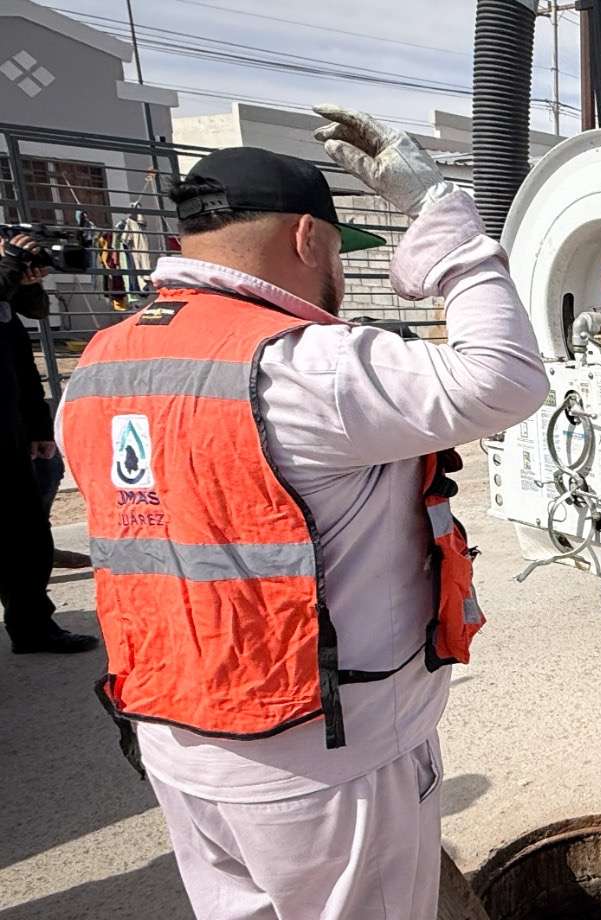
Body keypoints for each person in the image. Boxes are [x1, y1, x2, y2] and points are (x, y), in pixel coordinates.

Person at [57, 107, 548, 918]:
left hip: (176, 745)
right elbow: (506, 377)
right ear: (306, 240)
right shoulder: (305, 367)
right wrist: (443, 220)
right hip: (324, 759)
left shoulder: (98, 368)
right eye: (338, 256)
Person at [1, 233, 99, 654]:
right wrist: (8, 265)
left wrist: (39, 427)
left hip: (10, 429)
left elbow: (25, 339)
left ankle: (33, 629)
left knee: (27, 538)